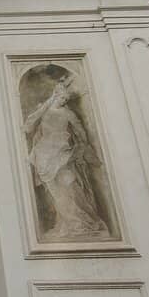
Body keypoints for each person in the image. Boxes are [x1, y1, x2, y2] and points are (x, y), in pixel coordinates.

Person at [22, 77, 109, 239]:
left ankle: (82, 222)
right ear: (55, 95)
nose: (64, 100)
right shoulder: (44, 110)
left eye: (66, 99)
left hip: (63, 153)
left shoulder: (68, 113)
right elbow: (28, 126)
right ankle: (70, 223)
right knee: (56, 193)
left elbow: (80, 130)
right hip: (44, 155)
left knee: (70, 187)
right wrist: (48, 103)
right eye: (61, 97)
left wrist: (83, 146)